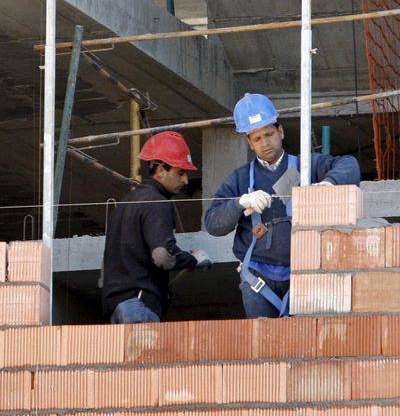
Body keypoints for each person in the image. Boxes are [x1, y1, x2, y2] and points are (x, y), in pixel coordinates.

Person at [204, 93, 360, 318]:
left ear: (281, 131)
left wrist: (327, 183)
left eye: (269, 134)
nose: (265, 143)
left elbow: (350, 165)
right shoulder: (239, 179)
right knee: (264, 347)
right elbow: (213, 224)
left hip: (303, 272)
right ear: (249, 142)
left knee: (304, 342)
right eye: (256, 138)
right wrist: (239, 203)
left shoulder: (306, 167)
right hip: (257, 279)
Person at [102, 131, 213, 324]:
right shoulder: (157, 202)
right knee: (145, 355)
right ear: (161, 170)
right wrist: (193, 259)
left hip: (115, 308)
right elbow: (163, 256)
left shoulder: (125, 204)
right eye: (181, 172)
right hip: (139, 306)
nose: (186, 180)